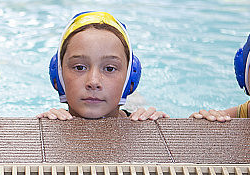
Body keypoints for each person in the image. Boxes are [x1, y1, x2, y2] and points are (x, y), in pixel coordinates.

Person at [37, 11, 168, 121]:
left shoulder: (140, 118)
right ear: (58, 77)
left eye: (109, 68)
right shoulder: (51, 119)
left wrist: (156, 123)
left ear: (130, 81)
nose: (93, 82)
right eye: (79, 67)